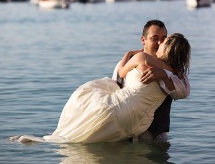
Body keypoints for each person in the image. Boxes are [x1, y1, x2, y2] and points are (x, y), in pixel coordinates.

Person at [12, 33, 191, 144]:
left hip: (117, 107)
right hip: (137, 123)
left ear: (167, 48)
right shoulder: (178, 75)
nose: (159, 44)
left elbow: (121, 71)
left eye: (163, 41)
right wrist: (166, 75)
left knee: (72, 137)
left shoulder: (143, 57)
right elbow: (183, 92)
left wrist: (128, 55)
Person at [112, 20, 190, 141]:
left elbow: (182, 92)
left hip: (156, 136)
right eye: (154, 38)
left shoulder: (174, 69)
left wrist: (164, 74)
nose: (159, 43)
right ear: (143, 40)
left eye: (163, 38)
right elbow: (116, 86)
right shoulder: (126, 63)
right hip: (124, 133)